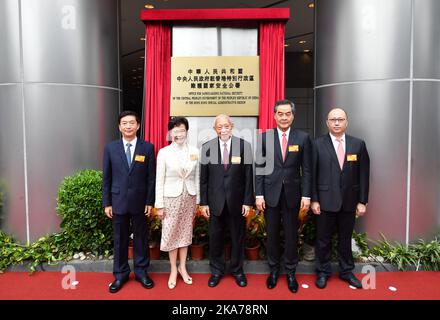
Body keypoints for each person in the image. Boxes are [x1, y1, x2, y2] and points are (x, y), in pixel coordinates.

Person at [255, 99, 312, 293]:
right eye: (280, 114)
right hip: (270, 194)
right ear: (274, 116)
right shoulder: (265, 138)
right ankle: (273, 271)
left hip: (292, 195)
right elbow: (259, 169)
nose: (284, 117)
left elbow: (308, 170)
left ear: (293, 116)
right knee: (271, 235)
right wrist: (259, 194)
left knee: (290, 235)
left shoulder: (303, 138)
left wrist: (306, 195)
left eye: (288, 114)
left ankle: (290, 272)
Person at [311, 107, 370, 289]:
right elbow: (311, 174)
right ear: (327, 123)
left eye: (340, 119)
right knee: (323, 240)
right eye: (333, 119)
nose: (337, 122)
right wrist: (314, 199)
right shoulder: (317, 144)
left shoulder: (358, 144)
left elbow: (364, 174)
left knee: (345, 239)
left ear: (346, 122)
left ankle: (346, 271)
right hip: (324, 201)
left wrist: (362, 201)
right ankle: (323, 272)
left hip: (349, 201)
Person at [102, 110, 156, 293]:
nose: (128, 126)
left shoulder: (147, 148)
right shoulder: (110, 148)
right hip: (118, 201)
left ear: (138, 125)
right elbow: (107, 179)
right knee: (120, 239)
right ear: (119, 127)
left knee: (141, 238)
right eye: (124, 123)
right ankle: (120, 274)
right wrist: (107, 203)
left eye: (131, 123)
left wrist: (150, 201)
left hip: (140, 202)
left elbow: (151, 178)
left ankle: (141, 272)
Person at [200, 114, 254, 288]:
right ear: (215, 128)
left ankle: (237, 271)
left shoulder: (243, 146)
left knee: (238, 238)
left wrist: (247, 201)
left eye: (226, 126)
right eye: (219, 126)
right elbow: (204, 179)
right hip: (215, 203)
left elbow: (248, 176)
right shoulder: (207, 147)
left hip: (237, 203)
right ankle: (216, 270)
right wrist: (204, 203)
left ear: (232, 126)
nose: (223, 129)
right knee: (215, 238)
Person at [155, 116, 200, 289]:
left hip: (189, 197)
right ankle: (173, 269)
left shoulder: (195, 151)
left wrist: (198, 201)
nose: (178, 133)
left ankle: (183, 267)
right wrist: (159, 205)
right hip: (170, 198)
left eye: (181, 130)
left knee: (185, 232)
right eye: (175, 130)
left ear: (187, 132)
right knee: (171, 232)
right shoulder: (164, 152)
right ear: (170, 132)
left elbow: (196, 177)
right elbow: (159, 180)